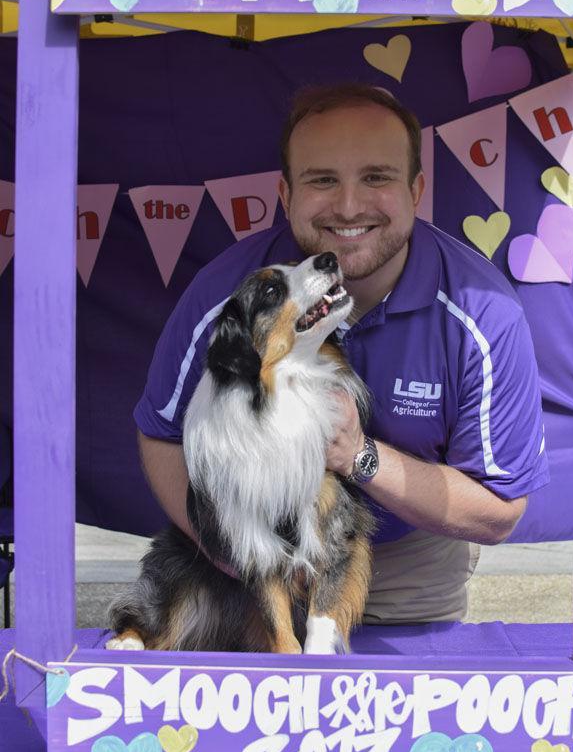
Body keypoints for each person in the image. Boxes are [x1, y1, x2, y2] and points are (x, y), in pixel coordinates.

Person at [134, 83, 549, 624]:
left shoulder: (485, 314)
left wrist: (359, 455)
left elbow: (498, 511)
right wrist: (231, 550)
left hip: (405, 559)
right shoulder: (228, 298)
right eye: (322, 180)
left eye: (376, 177)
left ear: (416, 189)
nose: (349, 206)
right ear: (285, 195)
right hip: (249, 557)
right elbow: (160, 433)